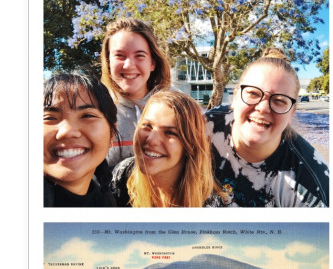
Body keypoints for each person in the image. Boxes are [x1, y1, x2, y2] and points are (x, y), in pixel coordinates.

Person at [206, 48, 329, 207]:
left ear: (292, 112)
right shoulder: (202, 128)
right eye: (253, 94)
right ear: (235, 97)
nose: (263, 108)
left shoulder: (311, 185)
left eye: (279, 100)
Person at [111, 91, 224, 207]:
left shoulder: (209, 204)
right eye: (147, 126)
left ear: (190, 145)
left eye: (170, 133)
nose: (151, 140)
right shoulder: (122, 175)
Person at [101, 17, 171, 168]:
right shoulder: (96, 111)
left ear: (152, 63)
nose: (129, 65)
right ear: (108, 62)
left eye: (139, 55)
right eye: (119, 55)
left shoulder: (176, 108)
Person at [43, 69, 119, 207]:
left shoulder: (106, 203)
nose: (67, 131)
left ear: (112, 134)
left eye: (87, 116)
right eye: (49, 118)